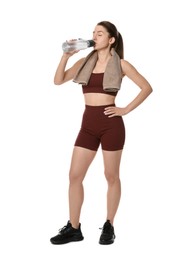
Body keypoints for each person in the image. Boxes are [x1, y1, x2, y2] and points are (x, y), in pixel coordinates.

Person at [50, 21, 153, 245]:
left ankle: (109, 225)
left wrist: (125, 109)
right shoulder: (84, 61)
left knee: (111, 176)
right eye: (93, 34)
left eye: (99, 34)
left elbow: (147, 87)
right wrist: (66, 56)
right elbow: (58, 80)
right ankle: (74, 228)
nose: (94, 37)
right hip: (87, 124)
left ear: (111, 39)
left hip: (111, 125)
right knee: (74, 176)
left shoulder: (122, 64)